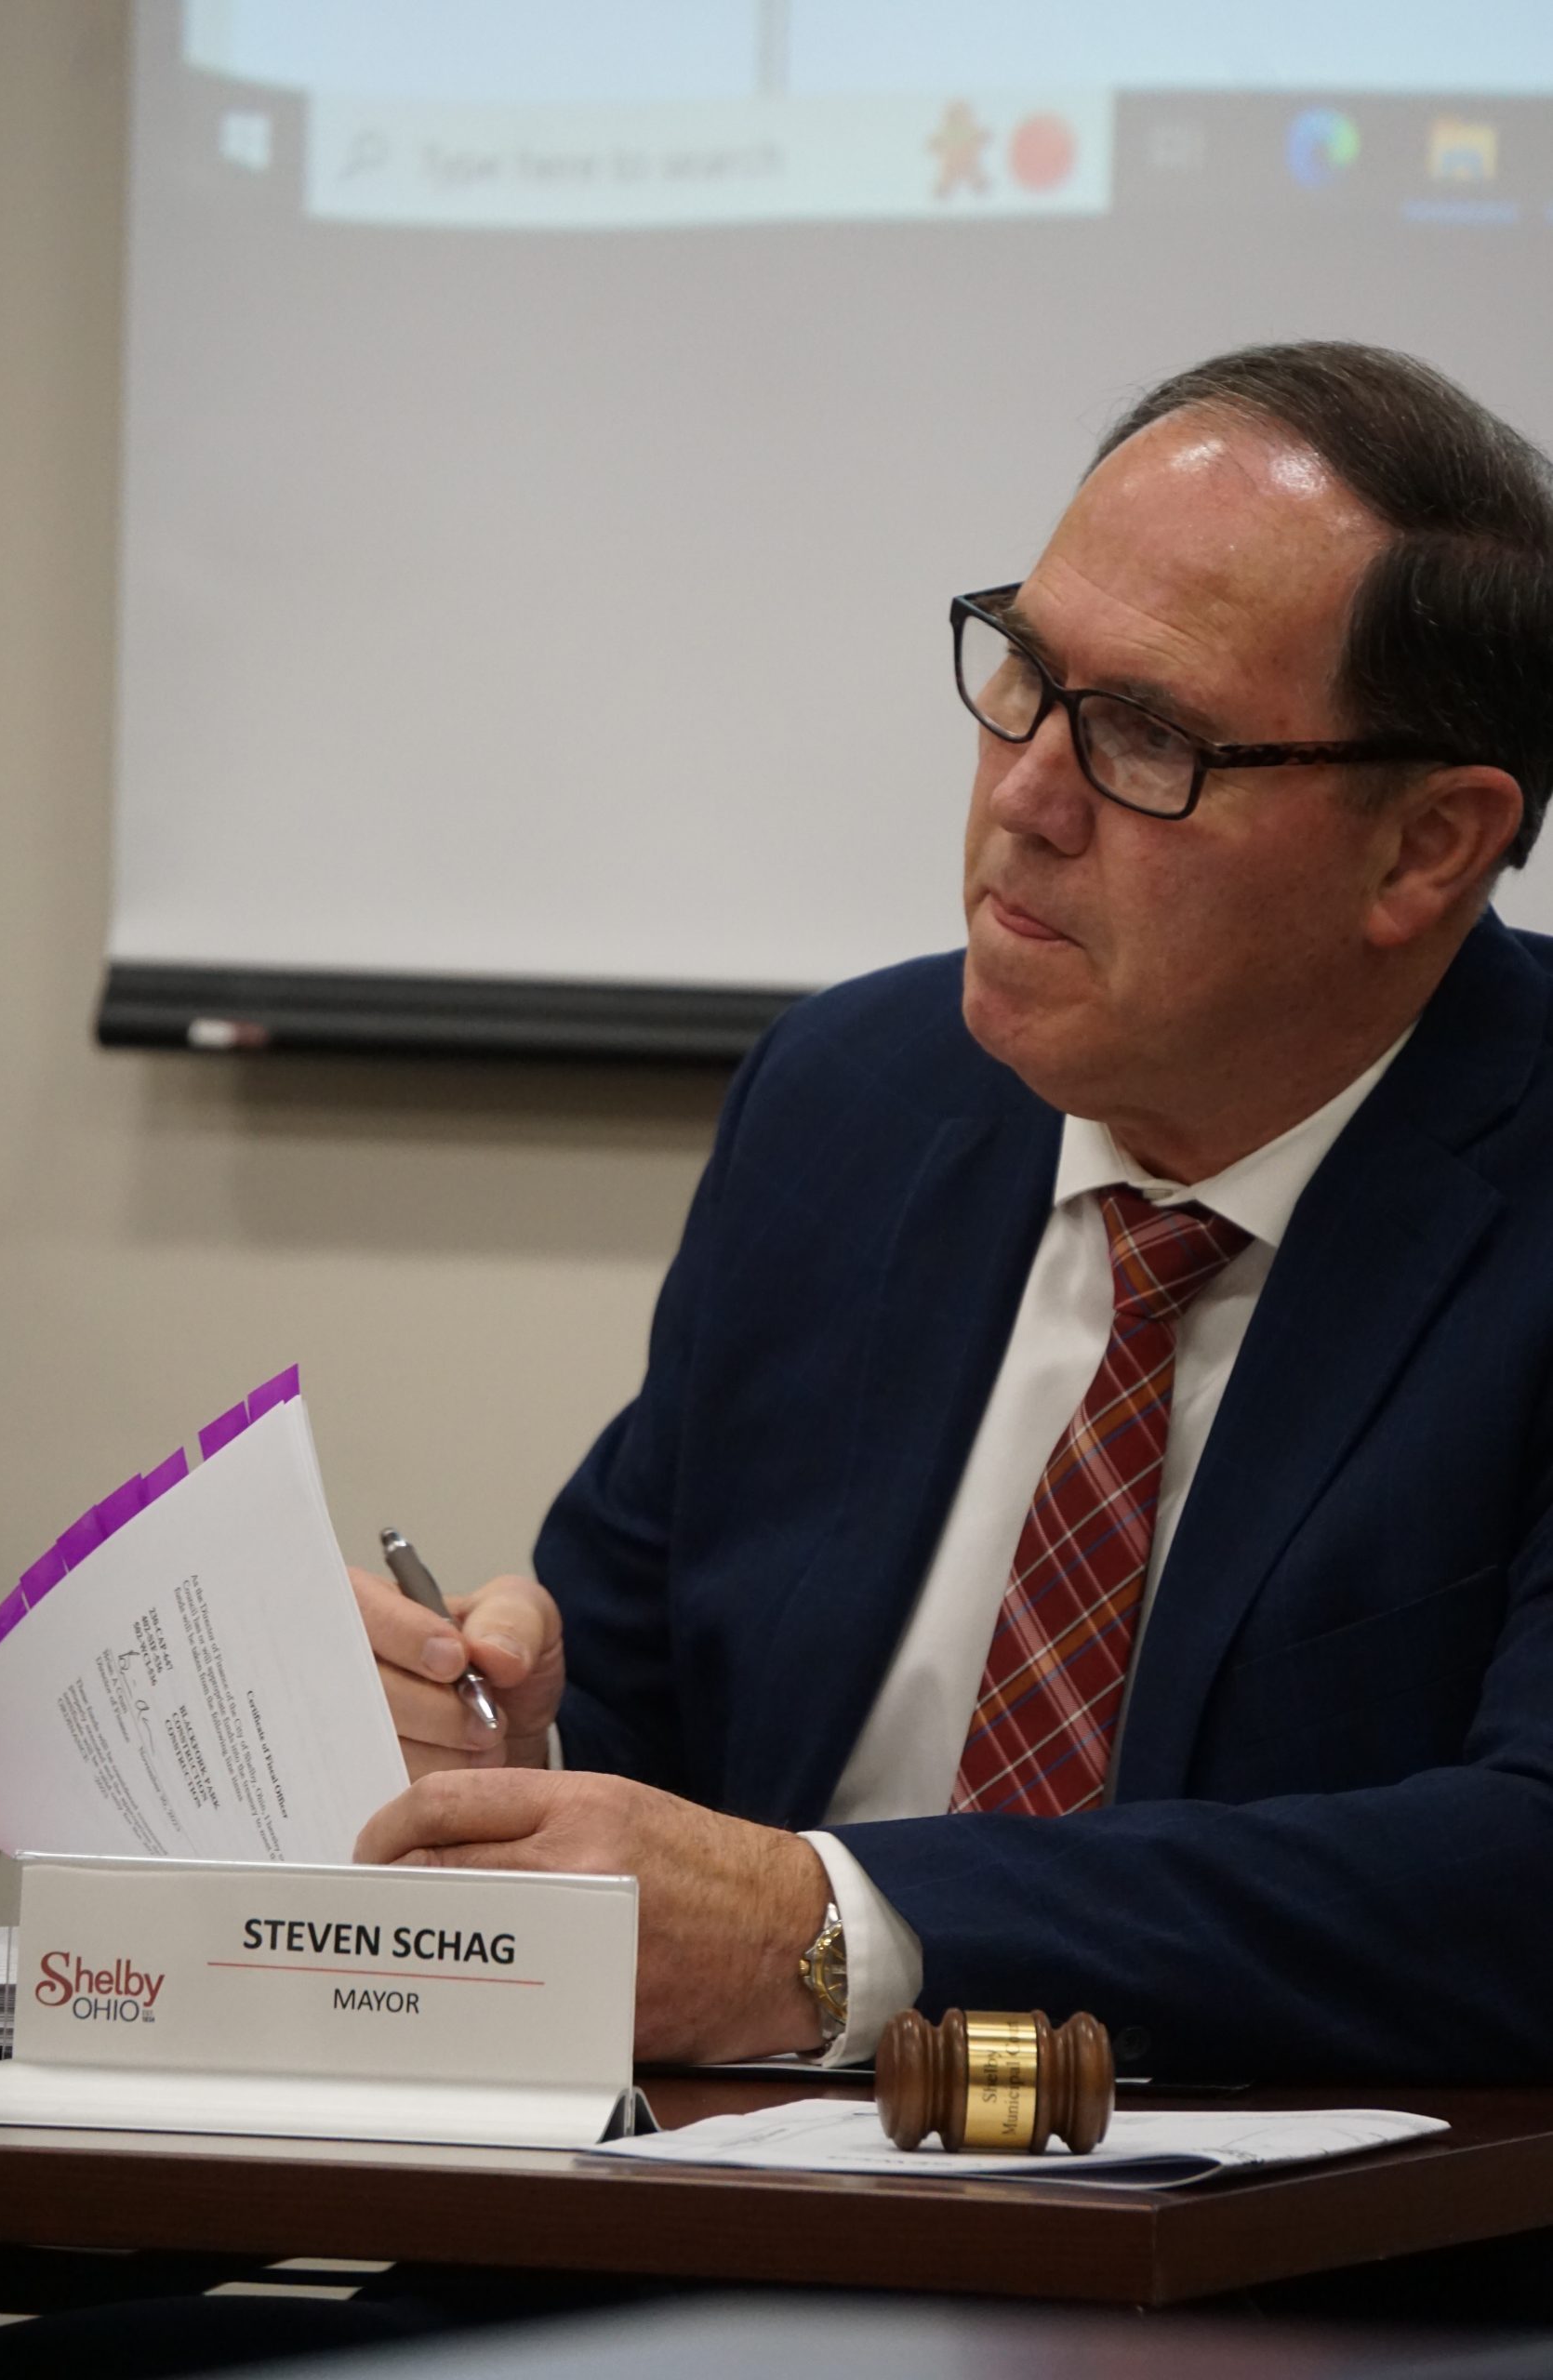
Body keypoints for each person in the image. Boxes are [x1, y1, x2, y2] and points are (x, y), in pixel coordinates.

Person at [352, 340, 1553, 2083]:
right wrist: (492, 1753)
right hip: (695, 2253)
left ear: (1428, 849)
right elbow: (636, 1726)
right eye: (1025, 676)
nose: (1026, 796)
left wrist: (843, 1933)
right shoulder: (853, 1104)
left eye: (1148, 736)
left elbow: (1521, 1873)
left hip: (1277, 2307)